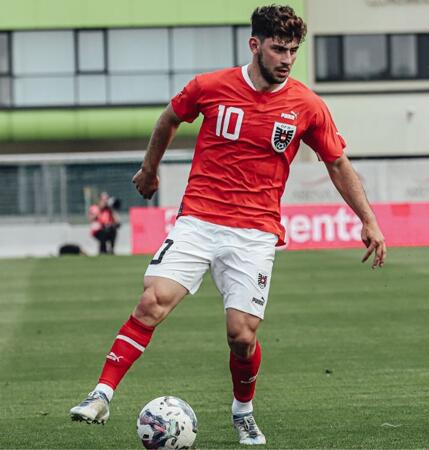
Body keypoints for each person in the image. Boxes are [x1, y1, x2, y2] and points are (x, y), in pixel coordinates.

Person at [69, 4, 386, 446]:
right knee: (152, 302)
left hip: (255, 233)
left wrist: (368, 219)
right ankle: (101, 394)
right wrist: (149, 169)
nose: (287, 59)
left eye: (294, 50)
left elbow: (336, 163)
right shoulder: (211, 86)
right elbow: (169, 119)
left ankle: (243, 411)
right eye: (278, 48)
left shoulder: (306, 106)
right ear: (254, 45)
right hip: (198, 219)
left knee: (241, 336)